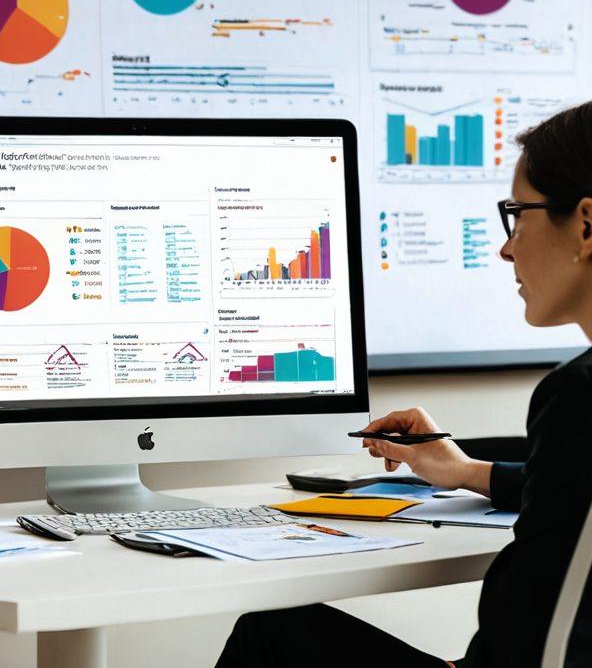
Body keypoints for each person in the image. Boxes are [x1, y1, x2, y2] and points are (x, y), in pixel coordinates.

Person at [217, 101, 592, 668]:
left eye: (518, 214)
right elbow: (574, 499)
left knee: (272, 637)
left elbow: (538, 640)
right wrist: (465, 472)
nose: (507, 246)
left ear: (586, 225)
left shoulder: (578, 398)